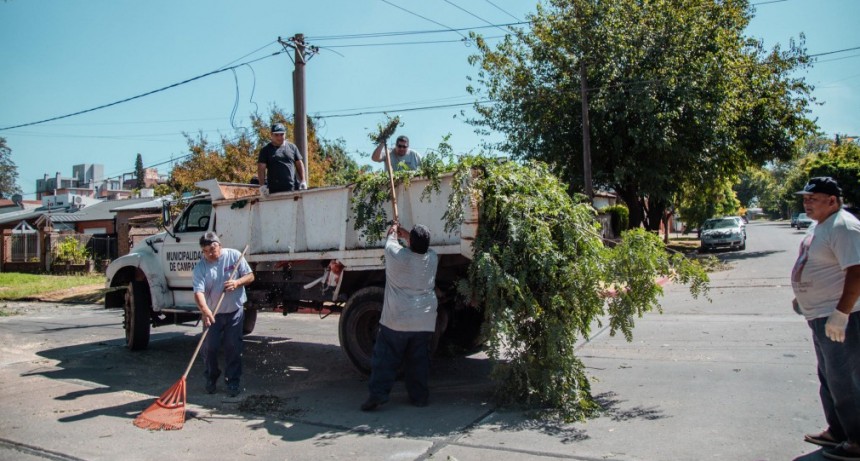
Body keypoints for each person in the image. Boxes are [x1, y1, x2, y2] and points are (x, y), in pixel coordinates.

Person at [791, 177, 860, 460]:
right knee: (829, 377)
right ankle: (838, 430)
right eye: (805, 199)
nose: (807, 203)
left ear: (832, 200)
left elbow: (856, 271)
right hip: (819, 315)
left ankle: (857, 440)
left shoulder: (844, 226)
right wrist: (802, 295)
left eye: (813, 198)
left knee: (846, 380)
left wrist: (841, 313)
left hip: (840, 318)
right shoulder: (821, 225)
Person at [361, 223, 438, 411]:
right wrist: (406, 234)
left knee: (385, 358)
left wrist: (394, 230)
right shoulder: (432, 258)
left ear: (410, 242)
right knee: (418, 361)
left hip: (397, 319)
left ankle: (378, 394)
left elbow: (390, 240)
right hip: (424, 319)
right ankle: (419, 397)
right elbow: (418, 246)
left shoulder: (397, 256)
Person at [193, 232, 255, 397]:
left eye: (213, 248)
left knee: (233, 347)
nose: (210, 253)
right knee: (210, 348)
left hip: (234, 311)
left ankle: (233, 381)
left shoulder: (234, 255)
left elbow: (250, 276)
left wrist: (237, 282)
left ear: (219, 245)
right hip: (212, 314)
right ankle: (211, 377)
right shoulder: (201, 267)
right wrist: (205, 310)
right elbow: (198, 292)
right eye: (206, 250)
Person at [257, 123, 306, 194]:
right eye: (276, 135)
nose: (279, 137)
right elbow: (261, 168)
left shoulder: (292, 147)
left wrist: (303, 181)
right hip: (273, 191)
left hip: (292, 189)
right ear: (271, 135)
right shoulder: (266, 150)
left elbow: (299, 164)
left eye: (282, 134)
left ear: (285, 134)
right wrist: (262, 186)